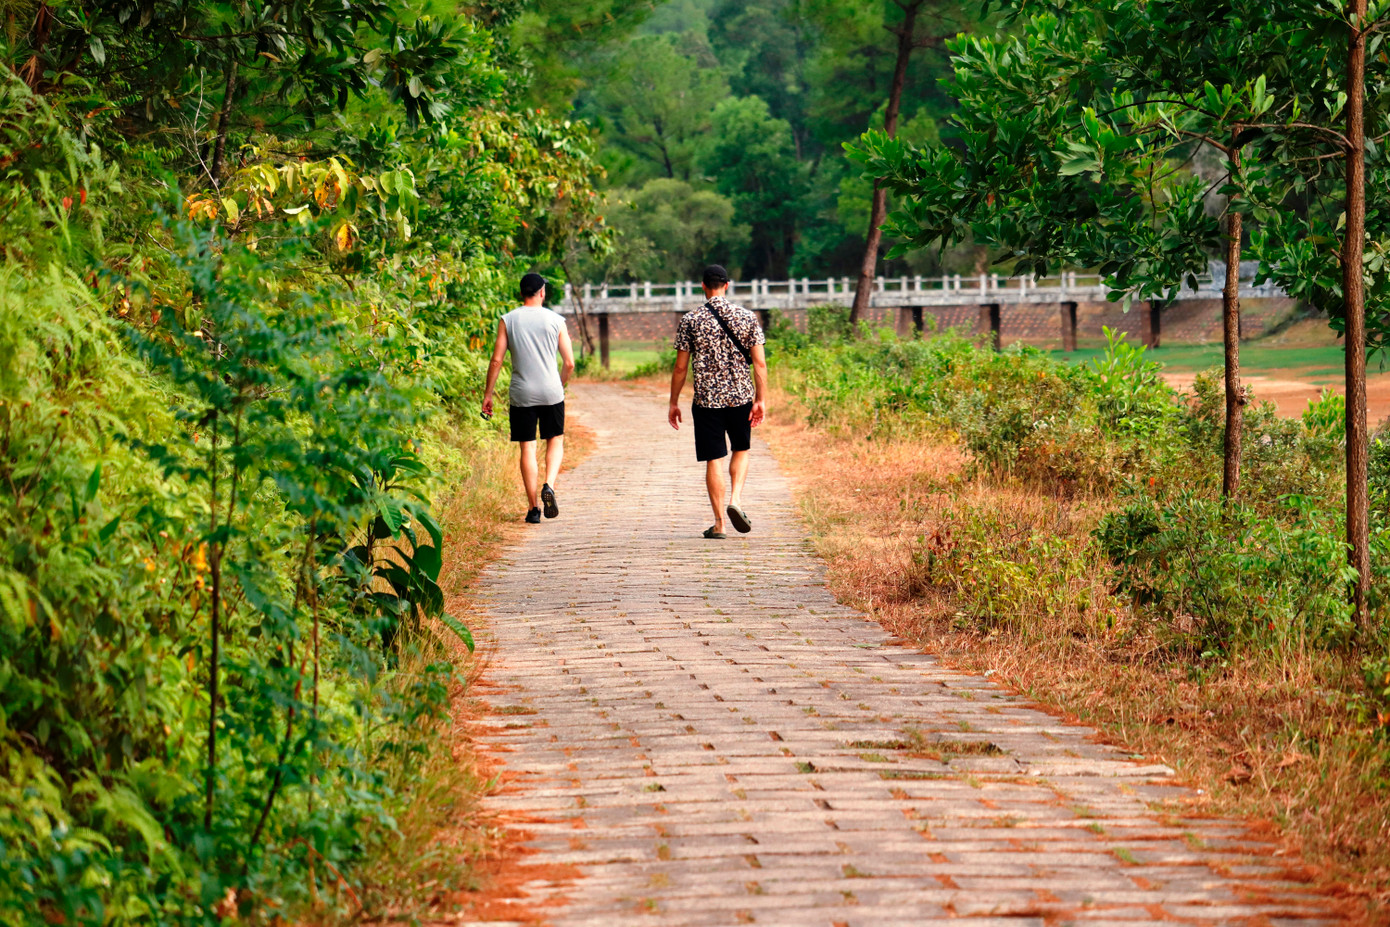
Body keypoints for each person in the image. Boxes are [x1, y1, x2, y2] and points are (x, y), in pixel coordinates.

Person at [668, 264, 768, 539]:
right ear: (727, 285)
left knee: (714, 458)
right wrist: (760, 399)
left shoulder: (691, 320)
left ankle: (720, 523)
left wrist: (673, 402)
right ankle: (735, 499)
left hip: (706, 400)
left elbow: (680, 367)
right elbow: (759, 363)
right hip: (740, 397)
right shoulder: (747, 317)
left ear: (703, 286)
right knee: (741, 448)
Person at [483, 273, 576, 524]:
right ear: (542, 292)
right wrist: (559, 384)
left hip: (521, 392)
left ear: (521, 292)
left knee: (528, 446)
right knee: (555, 439)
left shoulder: (508, 320)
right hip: (551, 391)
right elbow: (569, 362)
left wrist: (488, 394)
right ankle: (550, 485)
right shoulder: (556, 320)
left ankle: (533, 509)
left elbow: (497, 360)